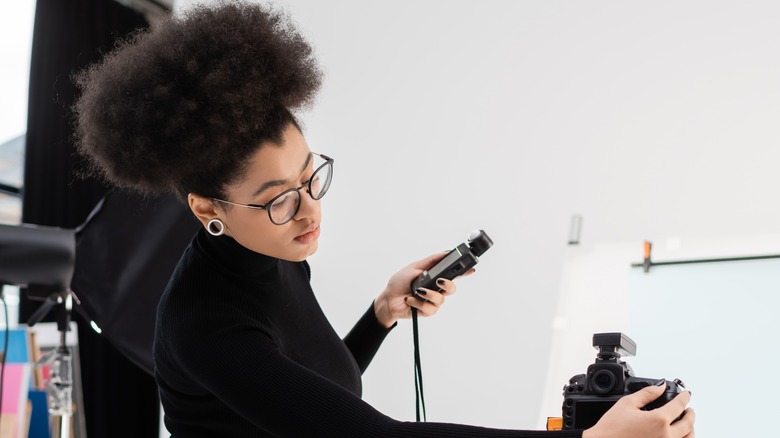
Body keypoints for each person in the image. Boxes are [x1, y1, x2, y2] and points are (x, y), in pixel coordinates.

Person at [73, 2, 694, 437]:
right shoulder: (203, 325)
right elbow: (367, 433)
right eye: (279, 198)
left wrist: (381, 314)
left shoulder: (271, 252)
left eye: (310, 175)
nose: (310, 209)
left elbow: (309, 393)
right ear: (209, 209)